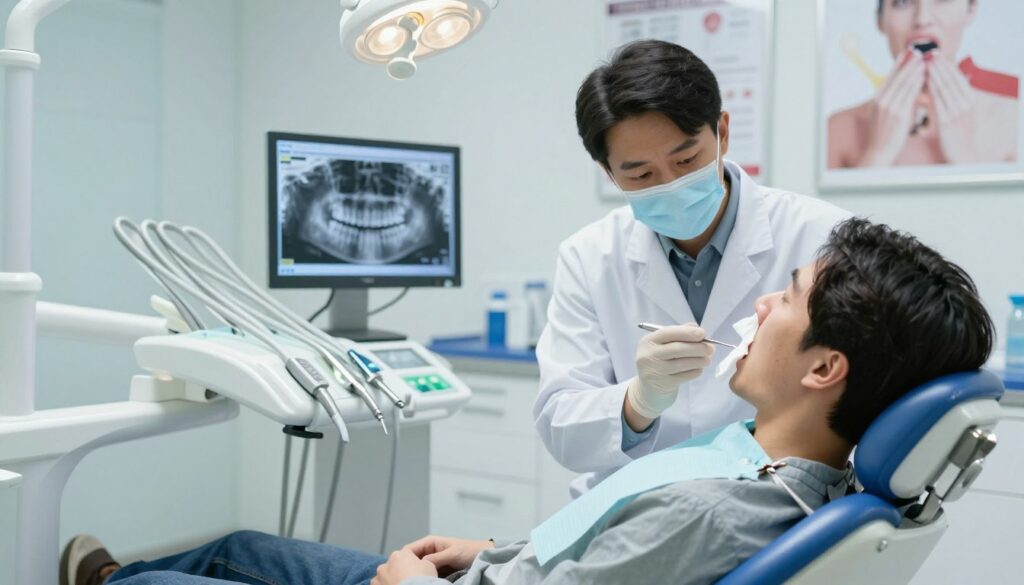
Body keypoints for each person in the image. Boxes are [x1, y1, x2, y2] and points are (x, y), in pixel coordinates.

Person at [60, 218, 994, 585]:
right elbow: (608, 550)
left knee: (159, 584)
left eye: (784, 299)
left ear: (825, 369)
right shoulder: (782, 476)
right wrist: (495, 550)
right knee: (240, 547)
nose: (758, 303)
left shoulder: (716, 510)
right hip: (493, 572)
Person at [533, 39, 850, 496]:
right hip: (629, 512)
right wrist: (638, 401)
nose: (672, 184)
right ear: (608, 172)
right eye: (641, 175)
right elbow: (562, 425)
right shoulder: (589, 257)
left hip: (774, 503)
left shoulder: (825, 236)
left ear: (721, 132)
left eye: (686, 159)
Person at [827, 0, 1019, 168]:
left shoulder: (1013, 121)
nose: (922, 19)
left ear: (970, 9)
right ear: (880, 20)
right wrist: (878, 154)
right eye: (902, 2)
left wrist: (965, 155)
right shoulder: (838, 129)